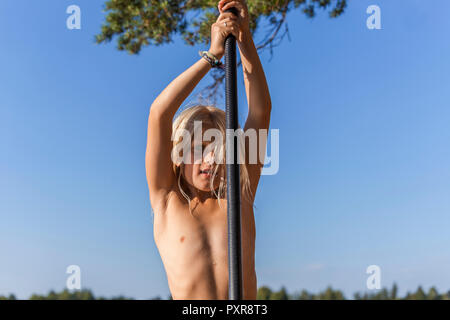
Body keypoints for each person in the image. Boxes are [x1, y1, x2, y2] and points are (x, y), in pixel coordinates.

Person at [145, 0, 271, 300]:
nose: (212, 158)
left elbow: (260, 110)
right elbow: (159, 113)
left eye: (220, 149)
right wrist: (212, 55)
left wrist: (244, 38)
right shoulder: (167, 199)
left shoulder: (239, 193)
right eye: (200, 147)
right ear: (178, 153)